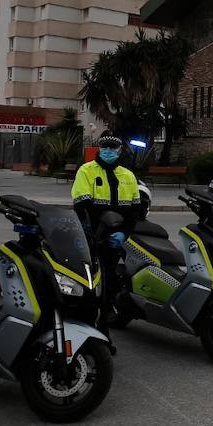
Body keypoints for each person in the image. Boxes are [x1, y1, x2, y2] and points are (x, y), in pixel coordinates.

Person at [71, 132, 143, 328]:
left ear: (120, 150)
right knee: (91, 285)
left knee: (110, 284)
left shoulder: (128, 176)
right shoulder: (86, 171)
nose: (108, 151)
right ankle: (88, 325)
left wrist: (124, 234)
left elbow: (134, 212)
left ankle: (105, 326)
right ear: (99, 148)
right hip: (93, 237)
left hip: (116, 239)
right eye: (105, 147)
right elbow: (82, 206)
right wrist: (94, 232)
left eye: (113, 148)